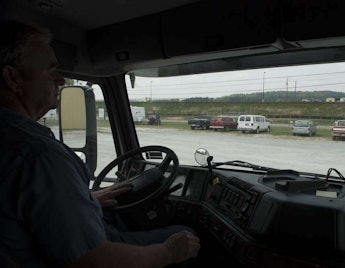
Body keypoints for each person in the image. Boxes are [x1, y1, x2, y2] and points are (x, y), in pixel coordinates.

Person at [0, 19, 200, 268]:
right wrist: (169, 252)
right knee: (186, 234)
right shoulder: (37, 155)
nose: (61, 80)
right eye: (51, 70)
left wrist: (86, 199)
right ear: (13, 78)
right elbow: (93, 260)